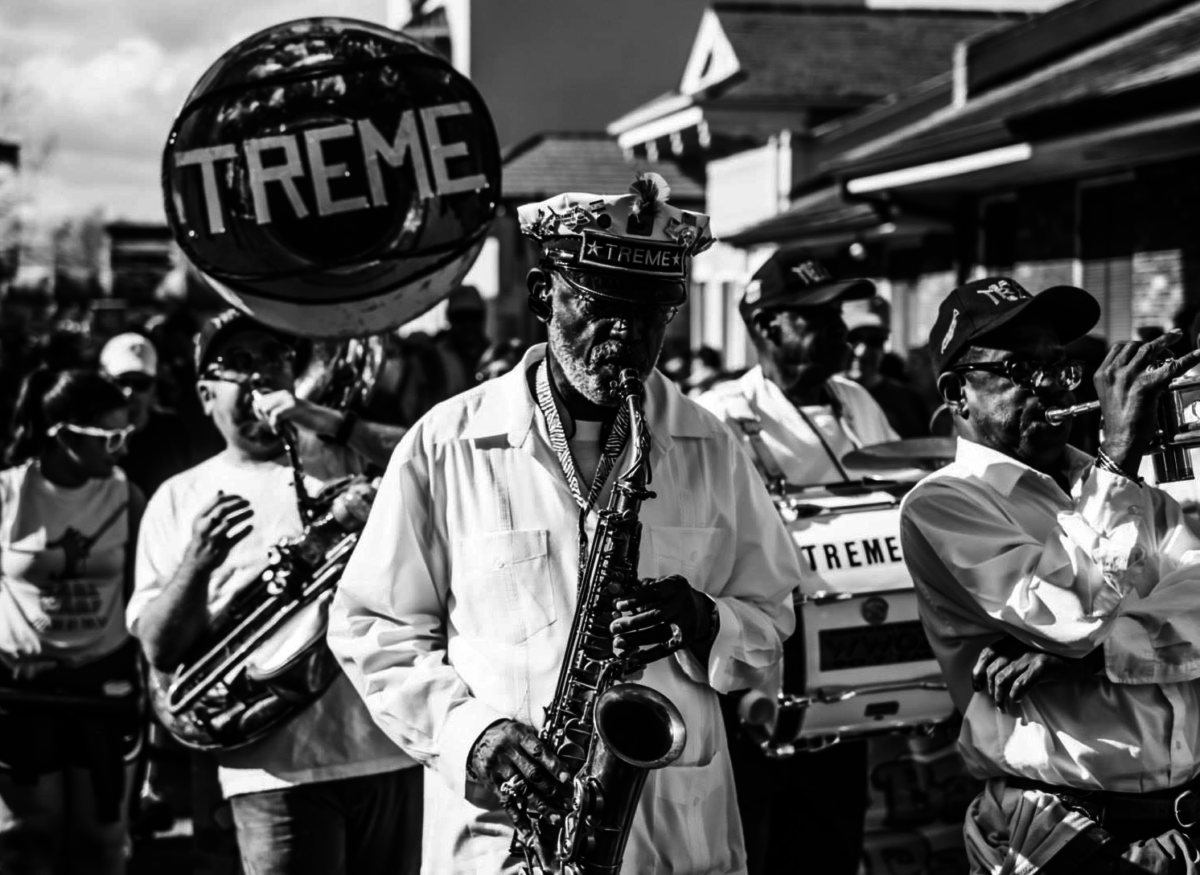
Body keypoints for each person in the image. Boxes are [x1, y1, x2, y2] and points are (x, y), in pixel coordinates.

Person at [327, 174, 800, 874]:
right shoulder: (445, 443)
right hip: (510, 836)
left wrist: (705, 620)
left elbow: (773, 614)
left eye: (651, 315)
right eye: (603, 307)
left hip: (675, 834)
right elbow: (374, 629)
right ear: (544, 294)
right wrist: (473, 735)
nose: (626, 336)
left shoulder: (712, 445)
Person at [899, 276, 1200, 872]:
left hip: (1178, 824)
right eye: (1020, 368)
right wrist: (1116, 459)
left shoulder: (1125, 486)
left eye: (1058, 365)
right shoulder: (945, 503)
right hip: (1057, 827)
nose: (1050, 386)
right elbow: (1072, 618)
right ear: (959, 393)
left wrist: (1099, 656)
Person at [127, 311, 421, 875]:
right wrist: (198, 560)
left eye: (273, 358)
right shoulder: (179, 496)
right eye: (238, 364)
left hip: (391, 748)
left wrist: (320, 418)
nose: (261, 374)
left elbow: (431, 457)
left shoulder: (344, 453)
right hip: (273, 770)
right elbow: (159, 649)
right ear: (206, 394)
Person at [695, 254, 909, 875]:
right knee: (749, 851)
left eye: (840, 315)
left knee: (830, 849)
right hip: (754, 688)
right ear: (765, 325)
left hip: (848, 680)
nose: (841, 331)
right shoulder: (717, 415)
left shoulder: (858, 402)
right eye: (818, 318)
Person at [0, 367, 144, 875]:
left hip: (100, 689)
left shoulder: (125, 495)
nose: (122, 448)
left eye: (127, 434)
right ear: (63, 435)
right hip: (22, 694)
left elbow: (141, 595)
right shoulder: (9, 495)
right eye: (111, 437)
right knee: (26, 841)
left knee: (101, 841)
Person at [844, 299, 930, 438]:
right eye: (853, 340)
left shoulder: (909, 400)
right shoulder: (824, 397)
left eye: (875, 341)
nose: (861, 352)